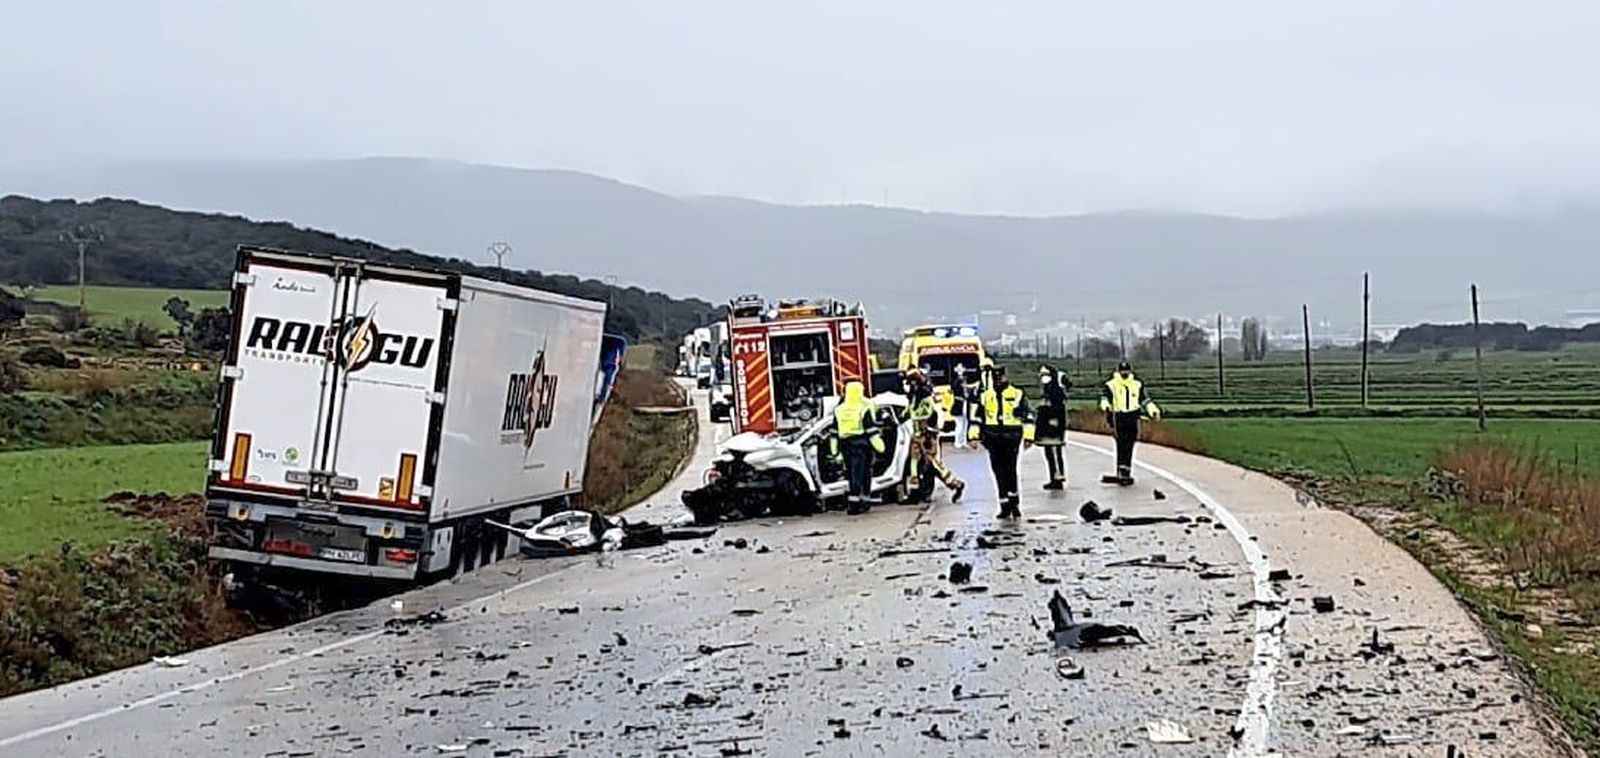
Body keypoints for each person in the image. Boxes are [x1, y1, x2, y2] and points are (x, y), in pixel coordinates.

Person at [968, 365, 1034, 518]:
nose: (998, 380)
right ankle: (1004, 505)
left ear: (1006, 377)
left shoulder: (1017, 394)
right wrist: (973, 436)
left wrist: (1029, 437)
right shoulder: (985, 396)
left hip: (1012, 436)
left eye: (1001, 377)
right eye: (995, 378)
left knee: (1010, 470)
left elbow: (1028, 417)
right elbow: (977, 418)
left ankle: (1014, 503)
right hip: (993, 436)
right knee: (998, 471)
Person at [905, 369, 965, 503]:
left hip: (926, 436)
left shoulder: (926, 397)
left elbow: (933, 416)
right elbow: (909, 413)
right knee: (914, 464)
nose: (909, 386)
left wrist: (929, 434)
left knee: (934, 464)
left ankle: (956, 484)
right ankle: (914, 493)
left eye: (911, 383)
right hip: (916, 436)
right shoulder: (915, 397)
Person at [1099, 360, 1161, 486]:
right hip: (1119, 416)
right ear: (1118, 371)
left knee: (1130, 443)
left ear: (1130, 371)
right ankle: (1121, 469)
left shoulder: (1137, 384)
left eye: (1126, 370)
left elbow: (1144, 400)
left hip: (1133, 416)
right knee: (1121, 443)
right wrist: (1106, 406)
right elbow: (1105, 398)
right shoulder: (1111, 385)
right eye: (1122, 371)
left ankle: (1126, 469)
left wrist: (1153, 410)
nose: (1124, 373)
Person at [832, 380, 881, 514]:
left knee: (852, 473)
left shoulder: (839, 409)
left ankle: (856, 501)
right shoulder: (863, 408)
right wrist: (879, 446)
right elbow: (870, 429)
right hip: (861, 445)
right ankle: (860, 502)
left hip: (846, 445)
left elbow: (834, 430)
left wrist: (834, 449)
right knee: (863, 473)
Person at [1035, 364, 1071, 490]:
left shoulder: (1055, 390)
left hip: (1054, 424)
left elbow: (1057, 409)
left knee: (1054, 450)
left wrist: (1054, 421)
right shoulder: (1047, 389)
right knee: (1049, 452)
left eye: (1045, 374)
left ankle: (1058, 476)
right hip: (1047, 424)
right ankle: (1053, 477)